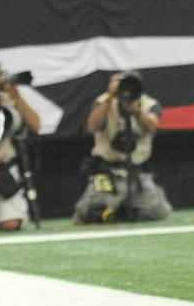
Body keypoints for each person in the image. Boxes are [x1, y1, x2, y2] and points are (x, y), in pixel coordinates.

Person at [73, 71, 173, 224]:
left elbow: (152, 126)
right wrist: (110, 97)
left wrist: (137, 111)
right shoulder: (104, 102)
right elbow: (92, 126)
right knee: (88, 211)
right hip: (108, 172)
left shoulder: (149, 104)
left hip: (137, 173)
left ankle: (123, 212)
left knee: (159, 211)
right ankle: (112, 211)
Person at [0, 56, 42, 230]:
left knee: (10, 223)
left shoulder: (9, 99)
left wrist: (16, 97)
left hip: (4, 168)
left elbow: (36, 125)